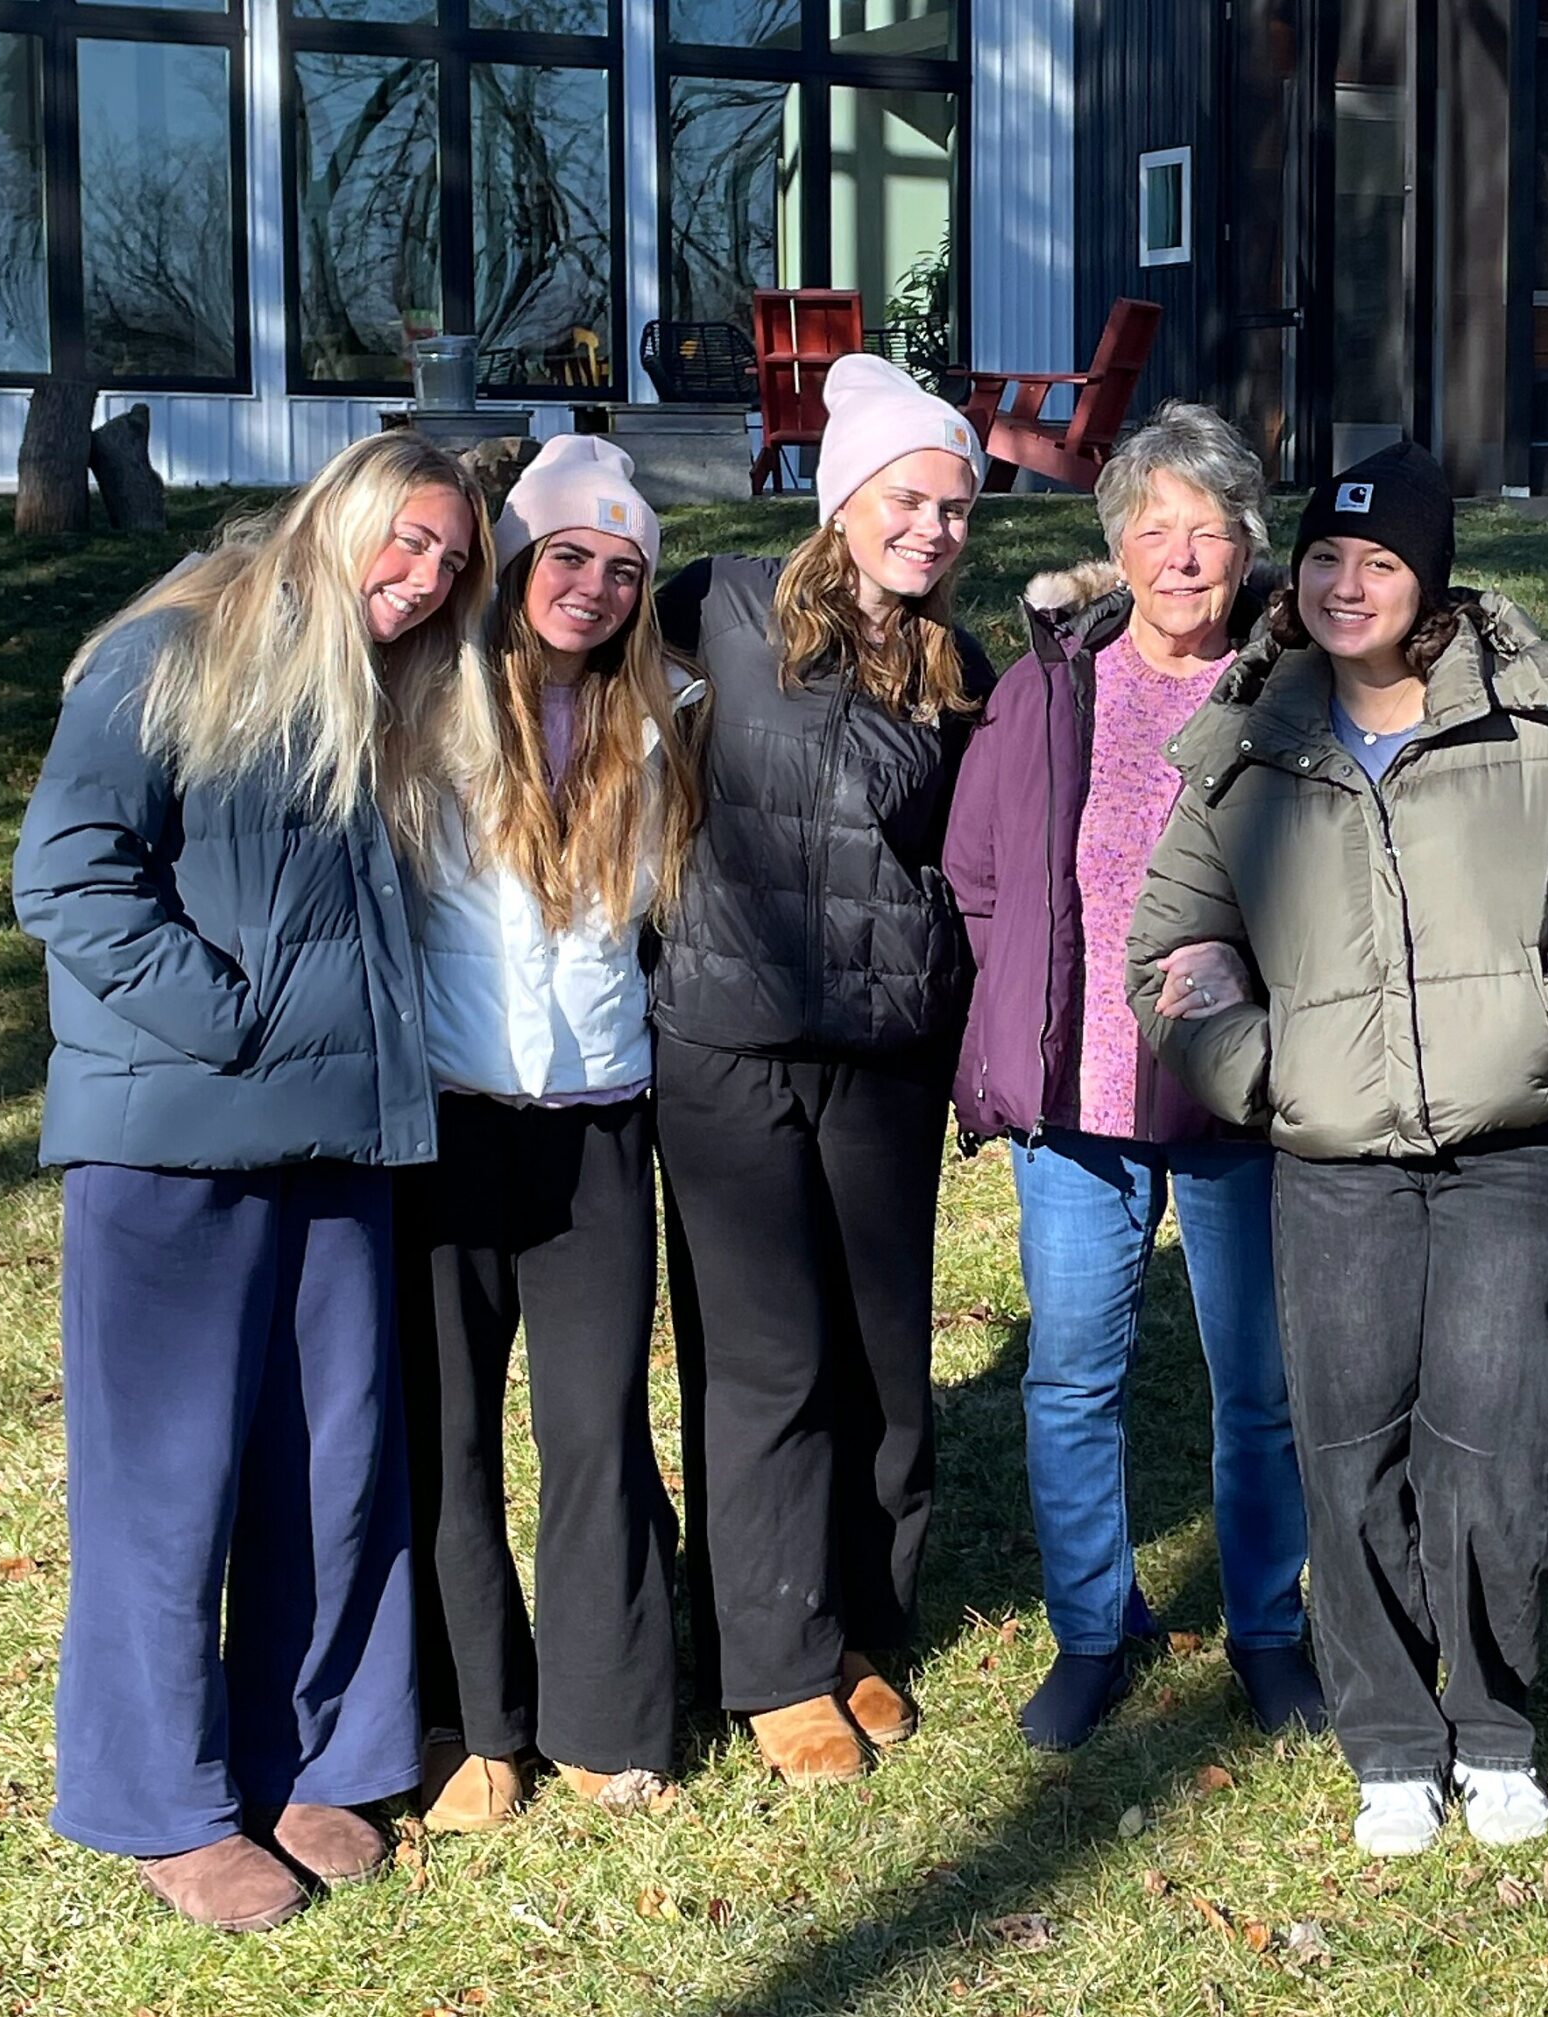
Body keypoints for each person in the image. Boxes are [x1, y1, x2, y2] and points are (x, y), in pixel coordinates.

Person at [1128, 441, 1548, 1854]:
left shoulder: (1534, 726)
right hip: (1333, 1162)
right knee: (1348, 1439)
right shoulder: (1254, 741)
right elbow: (1169, 947)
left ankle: (1492, 1725)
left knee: (1495, 1436)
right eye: (1325, 558)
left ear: (1432, 580)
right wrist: (1264, 1071)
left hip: (1502, 1146)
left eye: (1380, 562)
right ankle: (1386, 1736)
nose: (1347, 584)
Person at [12, 432, 491, 1930]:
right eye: (408, 540)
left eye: (451, 561)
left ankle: (316, 1758)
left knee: (333, 1468)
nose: (425, 579)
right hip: (172, 1145)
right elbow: (68, 869)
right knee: (167, 1487)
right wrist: (231, 1023)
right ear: (339, 513)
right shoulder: (174, 649)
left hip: (334, 1143)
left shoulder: (379, 685)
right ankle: (162, 1800)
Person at [945, 403, 1321, 1752]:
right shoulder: (1050, 686)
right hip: (1079, 1100)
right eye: (1155, 530)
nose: (1182, 557)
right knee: (1070, 1378)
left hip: (1238, 1098)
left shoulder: (1295, 686)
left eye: (1208, 531)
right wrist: (1026, 1012)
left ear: (1247, 546)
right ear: (1119, 548)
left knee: (1260, 1385)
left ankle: (1269, 1628)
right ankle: (1094, 1631)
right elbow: (979, 874)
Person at [651, 354, 991, 1783]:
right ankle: (774, 1660)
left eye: (956, 507)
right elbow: (562, 655)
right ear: (842, 498)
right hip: (727, 1043)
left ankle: (857, 1621)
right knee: (768, 1357)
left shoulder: (956, 669)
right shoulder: (718, 606)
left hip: (886, 1054)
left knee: (881, 1356)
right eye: (907, 498)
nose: (932, 528)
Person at [401, 436, 703, 1831]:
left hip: (596, 1127)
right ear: (519, 562)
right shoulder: (431, 706)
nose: (594, 586)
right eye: (568, 555)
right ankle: (471, 1721)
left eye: (624, 568)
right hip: (449, 1122)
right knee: (449, 1432)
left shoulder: (665, 721)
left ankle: (607, 1708)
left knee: (595, 1426)